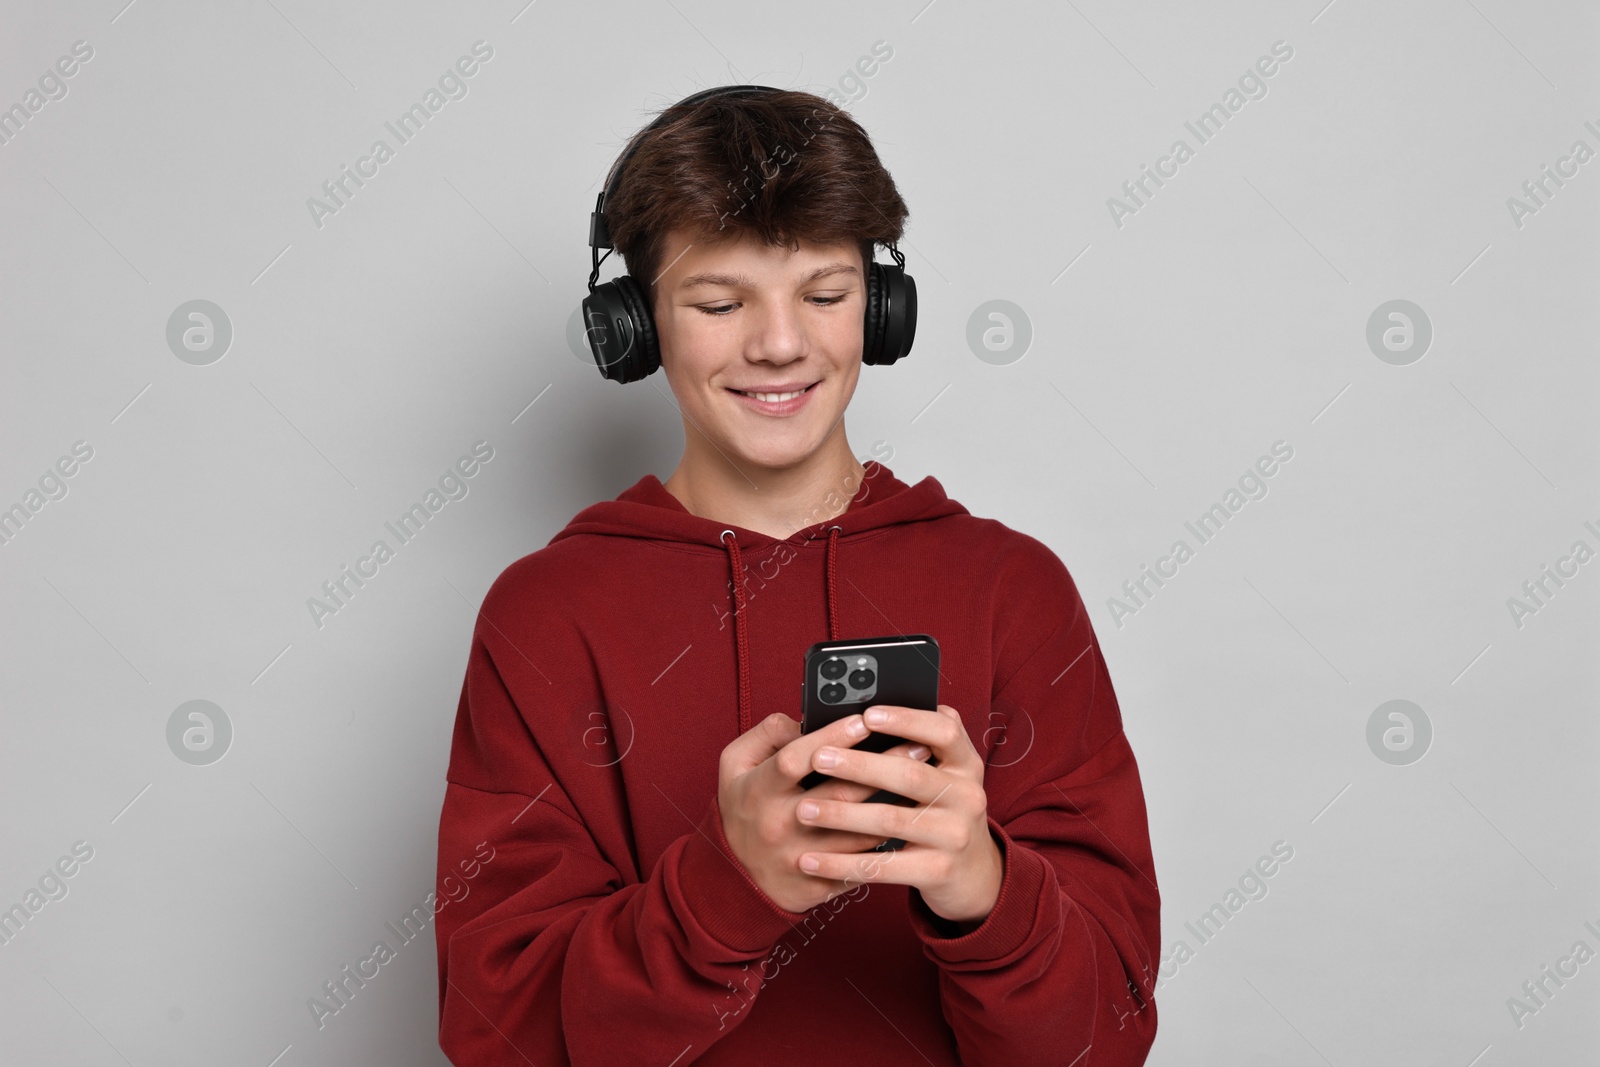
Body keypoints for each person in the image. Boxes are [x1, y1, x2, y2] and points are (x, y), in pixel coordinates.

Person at [433, 85, 1161, 1066]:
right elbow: (500, 1039)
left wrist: (985, 887)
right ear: (632, 325)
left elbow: (1103, 1044)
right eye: (719, 301)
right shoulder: (545, 617)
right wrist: (725, 887)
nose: (779, 342)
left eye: (823, 294)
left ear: (882, 307)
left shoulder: (1013, 591)